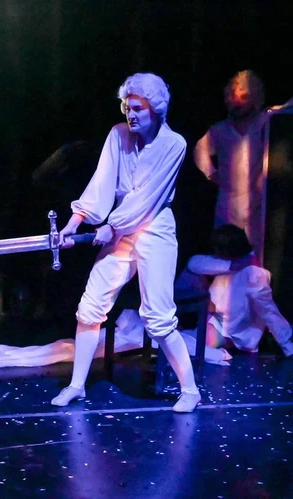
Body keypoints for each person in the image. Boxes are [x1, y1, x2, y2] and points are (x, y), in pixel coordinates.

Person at [50, 73, 201, 413]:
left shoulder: (174, 144)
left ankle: (190, 390)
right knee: (90, 307)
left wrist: (112, 226)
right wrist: (74, 224)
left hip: (155, 229)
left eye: (138, 109)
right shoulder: (118, 135)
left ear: (155, 109)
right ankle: (77, 385)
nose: (130, 115)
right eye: (127, 108)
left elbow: (148, 199)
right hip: (120, 230)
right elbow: (101, 183)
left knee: (158, 318)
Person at [193, 70, 284, 262]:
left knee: (256, 261)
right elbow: (200, 150)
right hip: (228, 206)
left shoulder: (264, 122)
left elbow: (286, 109)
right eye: (233, 96)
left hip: (257, 208)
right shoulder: (220, 130)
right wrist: (212, 173)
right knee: (225, 258)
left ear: (255, 98)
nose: (237, 102)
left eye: (243, 96)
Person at [185, 224, 293, 357]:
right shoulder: (227, 266)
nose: (215, 254)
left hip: (228, 332)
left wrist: (287, 345)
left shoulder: (253, 274)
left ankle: (220, 356)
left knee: (176, 343)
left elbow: (268, 310)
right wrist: (232, 266)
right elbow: (193, 263)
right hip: (215, 323)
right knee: (175, 341)